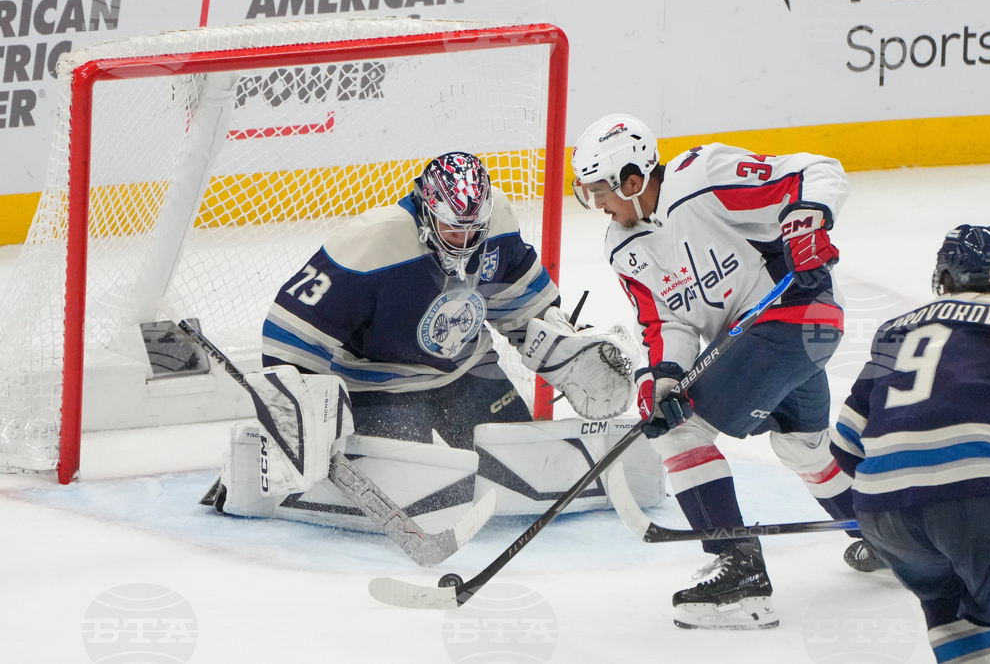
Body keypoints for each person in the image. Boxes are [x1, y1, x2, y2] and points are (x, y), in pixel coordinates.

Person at [216, 152, 637, 532]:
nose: (466, 241)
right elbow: (289, 332)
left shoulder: (499, 224)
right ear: (425, 211)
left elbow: (522, 304)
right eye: (453, 229)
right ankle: (250, 467)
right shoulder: (372, 244)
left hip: (469, 370)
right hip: (380, 387)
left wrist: (563, 349)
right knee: (418, 494)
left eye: (475, 229)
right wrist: (299, 407)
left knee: (524, 471)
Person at [571, 114, 874, 630]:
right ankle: (888, 538)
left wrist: (808, 219)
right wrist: (663, 377)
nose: (598, 204)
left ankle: (741, 576)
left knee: (683, 430)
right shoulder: (622, 249)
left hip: (798, 313)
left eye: (602, 190)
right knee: (802, 446)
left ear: (633, 177)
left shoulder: (702, 177)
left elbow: (816, 169)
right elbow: (666, 321)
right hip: (764, 339)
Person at [830, 225, 990, 664]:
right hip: (977, 498)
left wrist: (910, 485)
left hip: (881, 513)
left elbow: (844, 444)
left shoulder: (894, 330)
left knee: (945, 606)